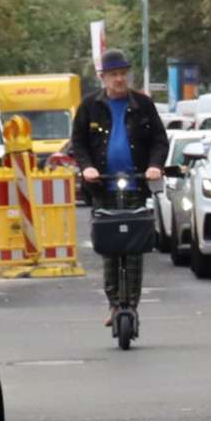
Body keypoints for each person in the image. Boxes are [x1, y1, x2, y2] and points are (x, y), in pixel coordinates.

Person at [68, 50, 168, 325]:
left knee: (135, 248)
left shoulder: (143, 105)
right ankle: (114, 303)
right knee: (110, 247)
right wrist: (87, 167)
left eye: (123, 73)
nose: (119, 79)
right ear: (103, 77)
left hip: (135, 184)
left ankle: (131, 304)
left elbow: (159, 139)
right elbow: (78, 142)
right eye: (114, 75)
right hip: (103, 187)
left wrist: (154, 166)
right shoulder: (90, 106)